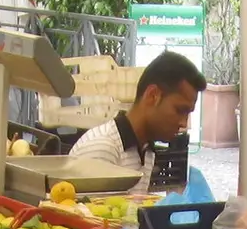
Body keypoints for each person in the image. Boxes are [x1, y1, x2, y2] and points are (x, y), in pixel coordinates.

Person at [67, 51, 203, 196]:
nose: (184, 123)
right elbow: (87, 217)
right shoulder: (102, 149)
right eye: (180, 110)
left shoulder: (146, 151)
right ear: (153, 96)